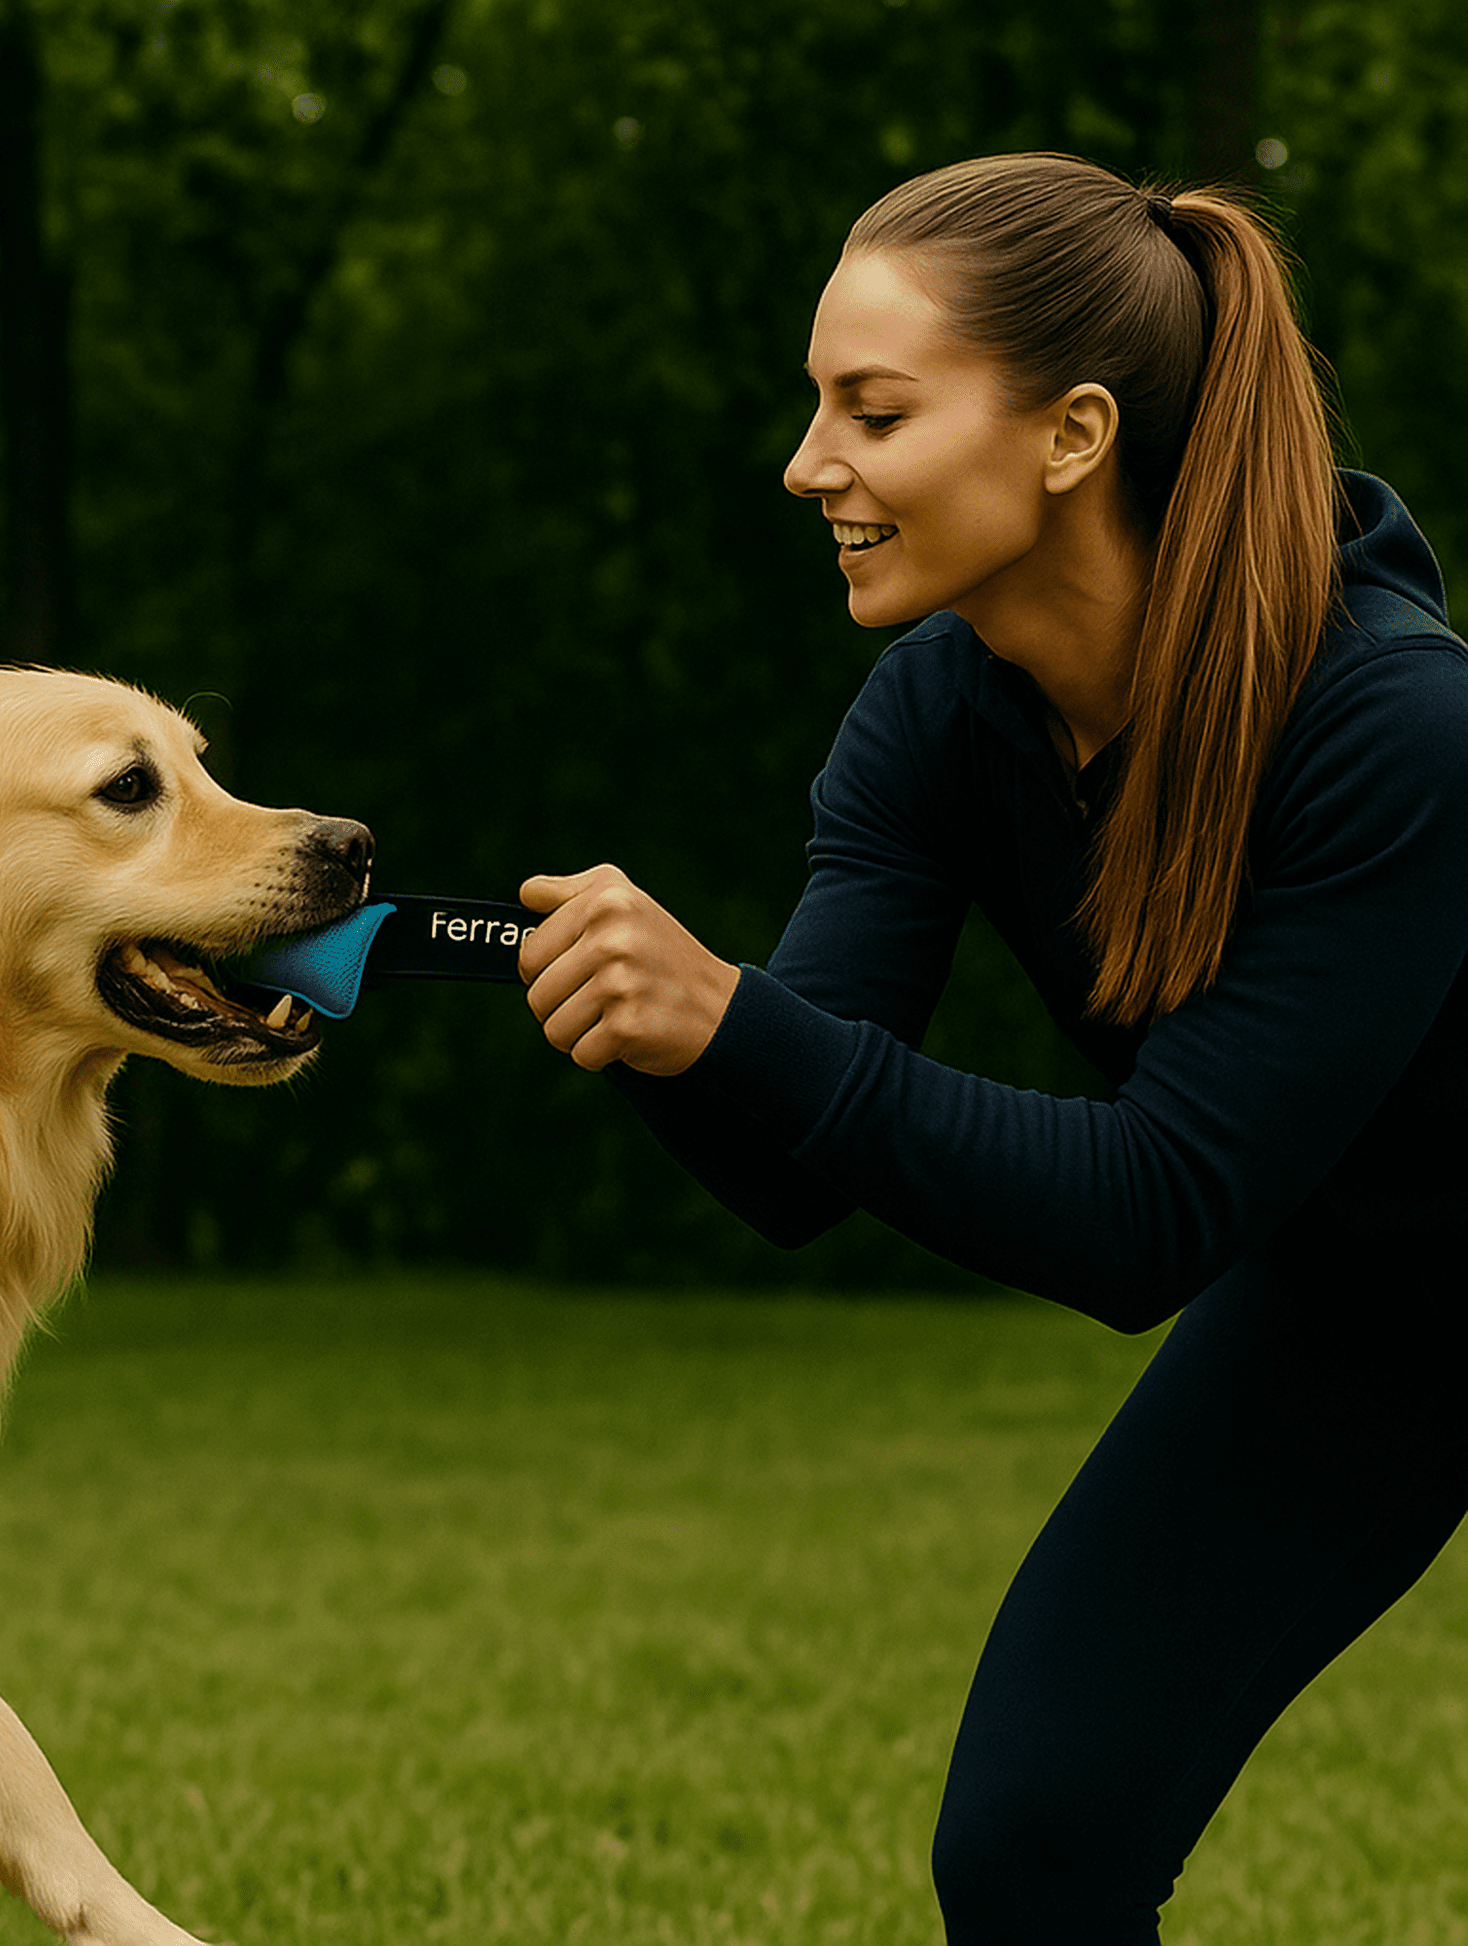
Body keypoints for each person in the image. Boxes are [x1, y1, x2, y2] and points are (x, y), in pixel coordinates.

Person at [516, 151, 1468, 1944]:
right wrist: (643, 1022)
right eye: (819, 407)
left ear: (1070, 435)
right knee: (1037, 1842)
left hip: (1328, 1244)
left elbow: (1147, 1214)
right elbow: (792, 1167)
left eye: (871, 411)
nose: (808, 463)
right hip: (1361, 1298)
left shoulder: (1395, 726)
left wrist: (725, 1018)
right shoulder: (944, 707)